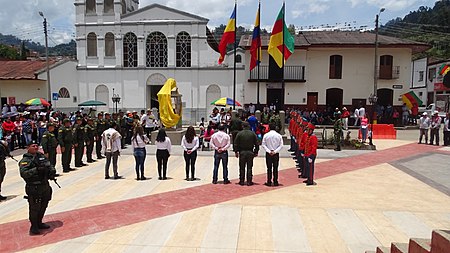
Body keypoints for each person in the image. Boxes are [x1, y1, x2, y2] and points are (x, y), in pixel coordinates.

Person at [19, 140, 57, 235]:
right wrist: (36, 170)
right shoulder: (25, 160)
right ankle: (34, 226)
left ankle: (39, 222)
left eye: (36, 145)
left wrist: (52, 172)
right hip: (34, 187)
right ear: (28, 147)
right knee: (34, 207)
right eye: (33, 146)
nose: (35, 147)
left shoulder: (41, 156)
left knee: (44, 204)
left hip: (44, 185)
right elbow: (24, 174)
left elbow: (49, 165)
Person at [234, 122, 259, 186]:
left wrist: (236, 151)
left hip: (242, 152)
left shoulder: (239, 133)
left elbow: (236, 143)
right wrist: (256, 152)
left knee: (242, 167)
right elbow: (257, 144)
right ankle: (249, 181)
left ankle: (241, 180)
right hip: (250, 152)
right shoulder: (252, 134)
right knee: (249, 167)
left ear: (242, 126)